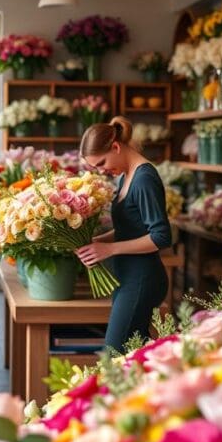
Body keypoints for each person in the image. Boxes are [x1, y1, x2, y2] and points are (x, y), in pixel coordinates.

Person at [75, 116, 172, 352]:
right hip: (128, 276)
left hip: (142, 278)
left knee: (113, 356)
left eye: (101, 163)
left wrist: (109, 249)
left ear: (116, 147)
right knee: (133, 356)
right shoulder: (126, 176)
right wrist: (100, 241)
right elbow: (131, 228)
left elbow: (161, 236)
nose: (101, 171)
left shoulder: (144, 179)